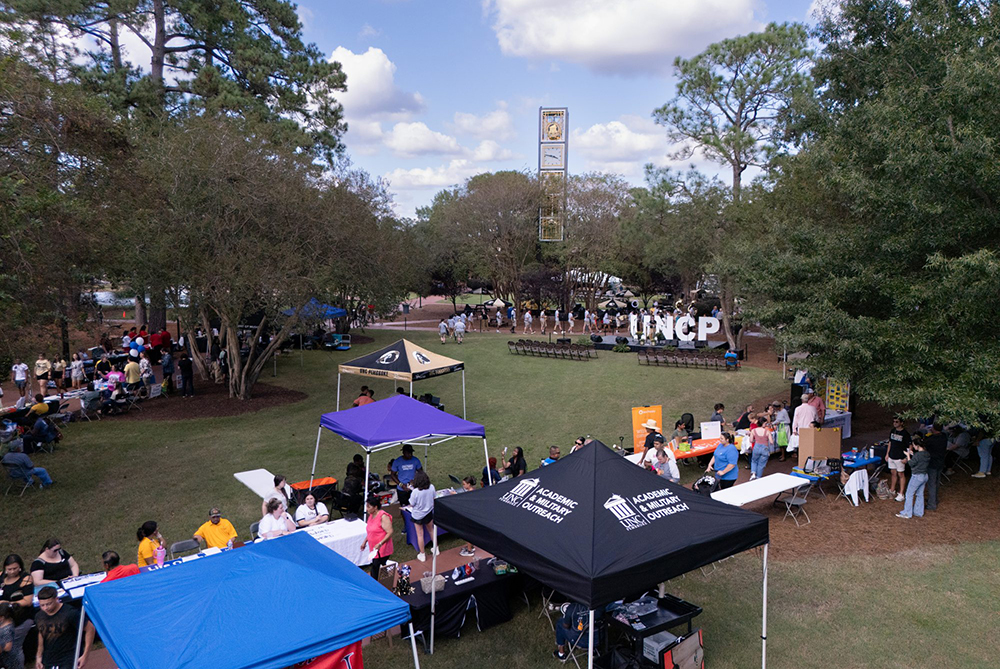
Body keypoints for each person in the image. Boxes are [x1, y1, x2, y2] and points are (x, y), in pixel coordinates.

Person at [35, 586, 95, 669]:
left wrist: (85, 655)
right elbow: (42, 633)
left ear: (56, 599)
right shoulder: (39, 616)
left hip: (69, 657)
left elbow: (90, 629)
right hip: (49, 658)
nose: (45, 608)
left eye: (49, 604)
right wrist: (39, 656)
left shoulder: (70, 613)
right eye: (42, 605)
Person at [1, 556, 33, 667]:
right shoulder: (1, 577)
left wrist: (7, 604)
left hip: (21, 618)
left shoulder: (25, 579)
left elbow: (28, 601)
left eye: (15, 568)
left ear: (20, 567)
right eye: (9, 569)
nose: (12, 571)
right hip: (4, 618)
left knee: (15, 648)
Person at [361, 495, 394, 577]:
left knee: (375, 567)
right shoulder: (371, 516)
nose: (366, 509)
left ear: (375, 507)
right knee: (381, 566)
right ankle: (386, 579)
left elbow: (390, 532)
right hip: (374, 548)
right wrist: (365, 542)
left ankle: (375, 584)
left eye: (369, 507)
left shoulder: (383, 517)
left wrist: (380, 543)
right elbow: (371, 532)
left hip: (382, 548)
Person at [897, 438, 930, 519]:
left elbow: (911, 464)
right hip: (925, 476)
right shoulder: (927, 454)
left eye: (914, 445)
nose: (913, 447)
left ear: (917, 446)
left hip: (917, 476)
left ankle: (907, 513)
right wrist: (912, 455)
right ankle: (918, 512)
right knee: (920, 494)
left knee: (909, 494)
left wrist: (908, 455)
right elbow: (919, 459)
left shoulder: (918, 455)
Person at [408, 471, 437, 562]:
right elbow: (434, 497)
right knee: (431, 530)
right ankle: (436, 549)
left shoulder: (415, 492)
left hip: (418, 515)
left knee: (420, 535)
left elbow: (412, 503)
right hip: (428, 512)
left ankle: (422, 554)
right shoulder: (431, 487)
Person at [923, 423, 948, 511]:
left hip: (932, 463)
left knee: (931, 483)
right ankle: (934, 499)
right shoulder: (944, 437)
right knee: (937, 482)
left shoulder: (931, 439)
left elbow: (924, 443)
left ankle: (931, 504)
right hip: (941, 462)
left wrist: (928, 434)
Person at [886, 417, 911, 502]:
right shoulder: (893, 431)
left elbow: (909, 446)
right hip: (892, 455)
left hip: (900, 457)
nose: (895, 423)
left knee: (901, 474)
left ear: (901, 423)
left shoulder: (905, 434)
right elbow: (890, 442)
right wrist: (887, 454)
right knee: (893, 473)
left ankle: (901, 493)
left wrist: (907, 457)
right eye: (894, 421)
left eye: (897, 422)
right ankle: (892, 490)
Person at [748, 415, 773, 481]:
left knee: (754, 461)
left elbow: (751, 440)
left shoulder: (753, 430)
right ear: (763, 423)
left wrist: (755, 440)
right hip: (765, 448)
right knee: (761, 464)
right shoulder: (767, 431)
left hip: (756, 446)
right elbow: (771, 442)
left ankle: (753, 473)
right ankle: (759, 477)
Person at [0, 601, 24, 669]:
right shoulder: (7, 621)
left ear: (2, 617)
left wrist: (1, 646)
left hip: (11, 660)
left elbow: (8, 647)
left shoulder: (7, 629)